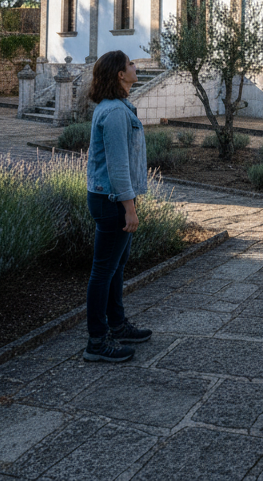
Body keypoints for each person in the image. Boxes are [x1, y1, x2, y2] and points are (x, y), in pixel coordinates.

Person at [84, 50, 152, 362]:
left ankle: (117, 324)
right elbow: (117, 166)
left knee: (115, 267)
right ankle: (97, 342)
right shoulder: (113, 113)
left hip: (113, 199)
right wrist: (130, 207)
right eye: (130, 64)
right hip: (111, 200)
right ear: (119, 75)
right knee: (104, 270)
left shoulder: (119, 107)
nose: (135, 67)